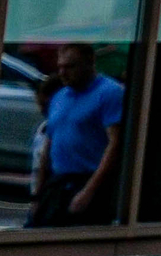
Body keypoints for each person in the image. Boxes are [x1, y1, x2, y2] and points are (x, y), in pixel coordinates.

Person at [33, 43, 125, 227]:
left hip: (87, 178)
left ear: (89, 64)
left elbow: (115, 143)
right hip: (58, 181)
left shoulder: (109, 93)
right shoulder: (60, 96)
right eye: (60, 67)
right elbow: (49, 145)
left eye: (70, 67)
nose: (63, 73)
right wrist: (38, 194)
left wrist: (89, 191)